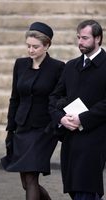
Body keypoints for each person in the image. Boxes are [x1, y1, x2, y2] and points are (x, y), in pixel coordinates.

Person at [0, 21, 64, 200]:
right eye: (28, 46)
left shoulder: (58, 67)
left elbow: (61, 98)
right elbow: (15, 98)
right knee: (26, 183)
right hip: (22, 127)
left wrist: (57, 122)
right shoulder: (20, 64)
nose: (30, 50)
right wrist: (10, 129)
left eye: (35, 47)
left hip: (44, 130)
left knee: (31, 177)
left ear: (47, 45)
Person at [49, 19, 106, 200]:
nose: (80, 42)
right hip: (70, 136)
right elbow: (54, 97)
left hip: (95, 136)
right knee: (74, 188)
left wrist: (83, 118)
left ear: (98, 38)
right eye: (78, 38)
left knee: (86, 188)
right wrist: (61, 119)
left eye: (85, 38)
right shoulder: (70, 66)